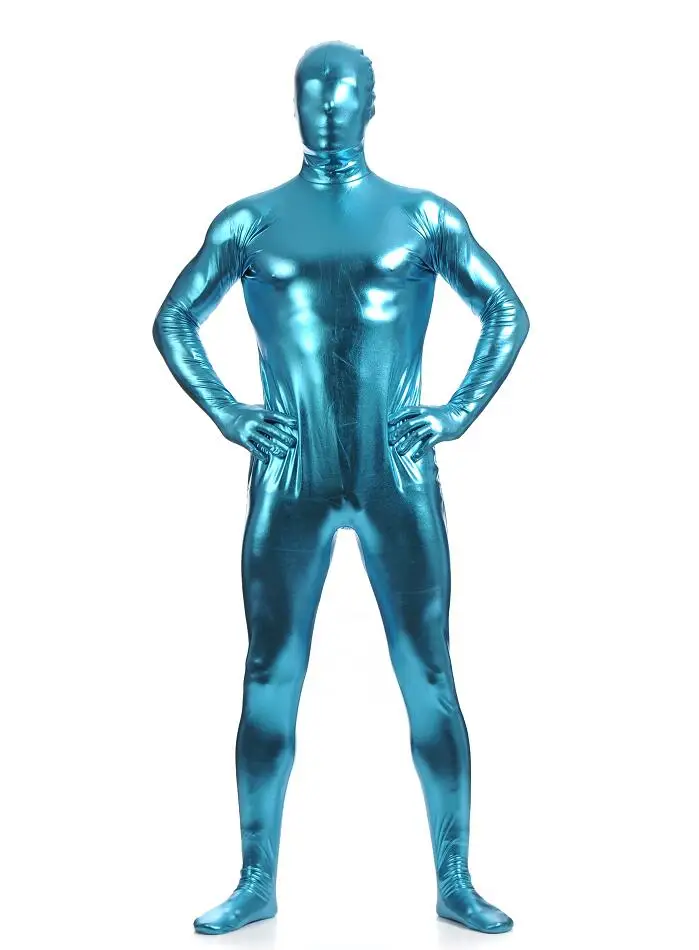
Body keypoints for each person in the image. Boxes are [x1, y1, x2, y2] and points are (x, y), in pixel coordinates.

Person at [153, 40, 529, 935]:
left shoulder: (421, 215)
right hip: (291, 476)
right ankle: (255, 879)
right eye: (312, 94)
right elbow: (172, 319)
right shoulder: (250, 222)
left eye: (342, 94)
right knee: (268, 671)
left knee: (427, 671)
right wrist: (230, 414)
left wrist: (457, 410)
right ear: (293, 104)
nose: (326, 109)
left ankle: (454, 878)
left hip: (396, 472)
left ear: (370, 103)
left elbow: (506, 310)